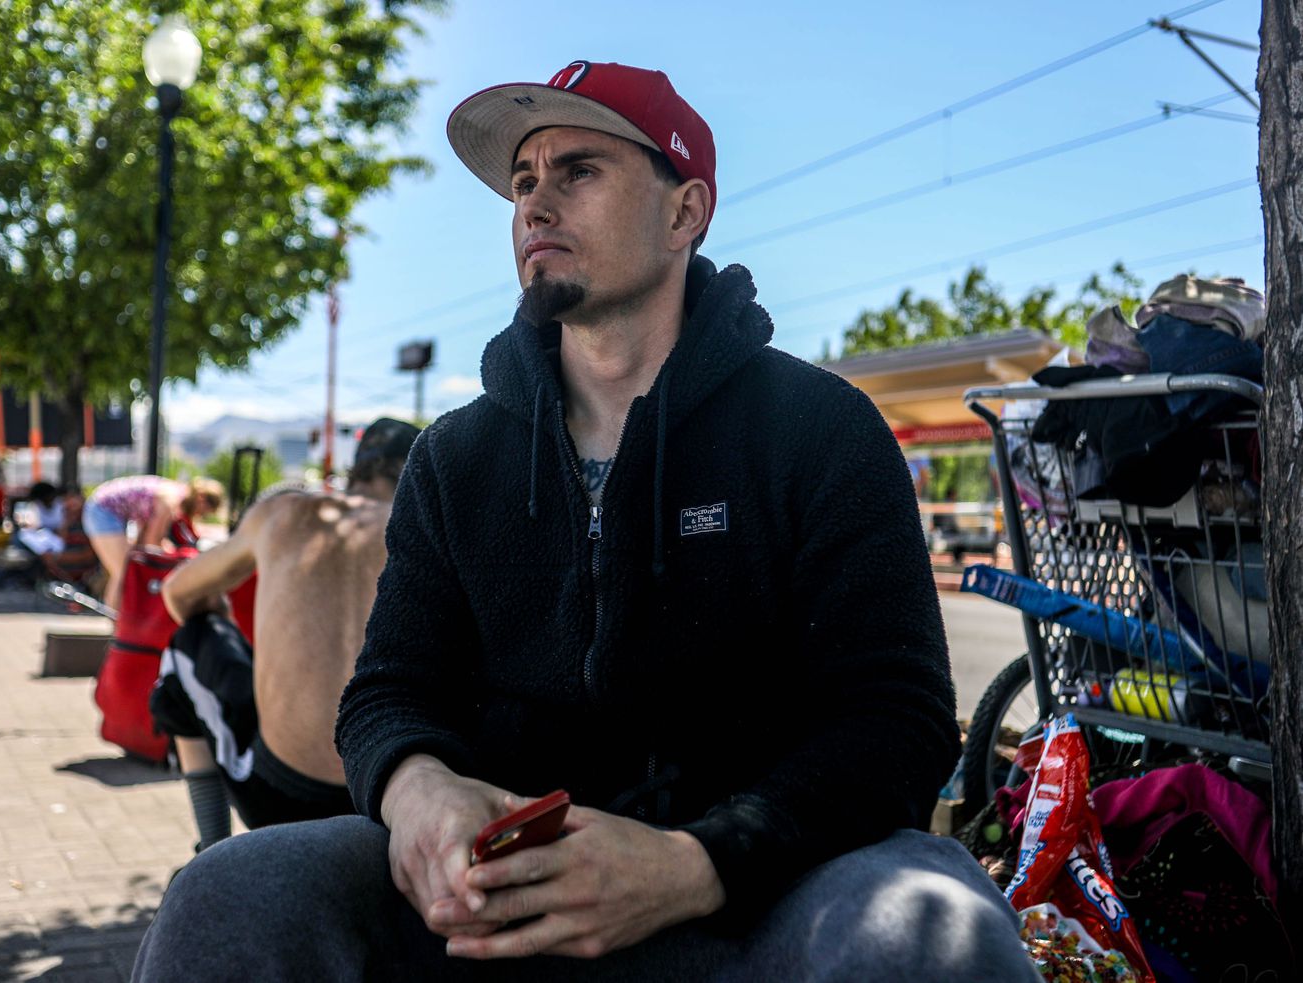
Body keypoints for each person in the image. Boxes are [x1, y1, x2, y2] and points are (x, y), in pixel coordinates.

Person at [134, 62, 1037, 981]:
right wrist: (417, 789)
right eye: (524, 181)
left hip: (764, 894)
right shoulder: (453, 459)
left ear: (685, 213)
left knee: (933, 935)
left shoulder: (820, 428)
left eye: (580, 171)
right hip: (499, 901)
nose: (535, 203)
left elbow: (899, 716)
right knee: (227, 892)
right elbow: (389, 692)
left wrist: (698, 860)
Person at [149, 419, 420, 850]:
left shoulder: (284, 512)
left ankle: (212, 852)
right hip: (397, 799)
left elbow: (178, 594)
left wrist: (230, 625)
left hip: (278, 798)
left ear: (355, 469)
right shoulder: (427, 528)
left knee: (189, 641)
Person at [82, 475, 223, 611]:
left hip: (104, 508)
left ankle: (120, 617)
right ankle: (116, 619)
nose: (199, 515)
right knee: (125, 571)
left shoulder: (173, 491)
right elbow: (152, 542)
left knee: (127, 569)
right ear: (201, 499)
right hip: (103, 510)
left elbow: (145, 539)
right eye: (203, 512)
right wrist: (174, 556)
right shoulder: (170, 500)